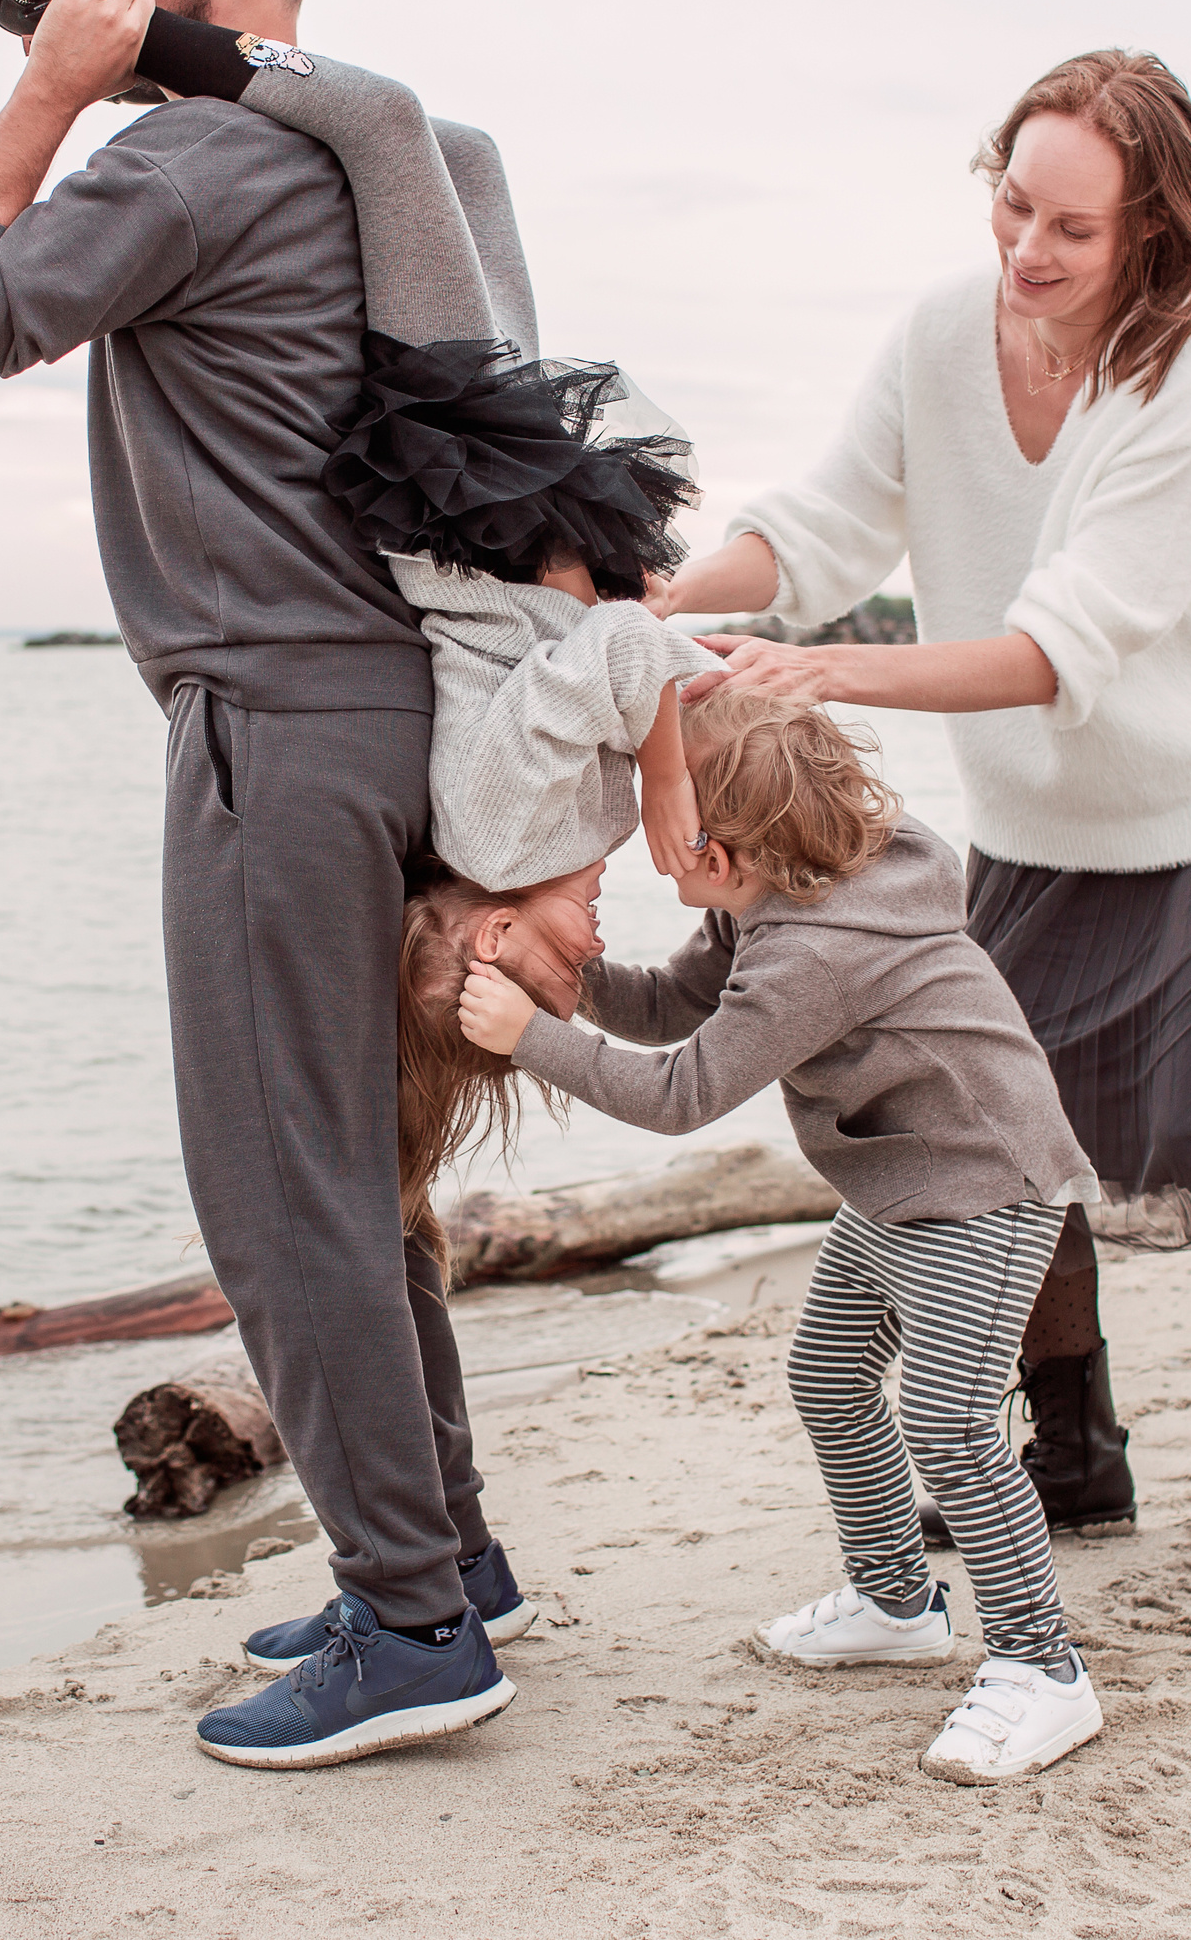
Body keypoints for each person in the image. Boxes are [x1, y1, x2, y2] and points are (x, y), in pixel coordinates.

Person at [657, 51, 1191, 1688]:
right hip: (1050, 821)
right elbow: (828, 524)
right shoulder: (937, 334)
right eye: (1011, 207)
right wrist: (671, 600)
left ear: (1150, 238)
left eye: (1071, 228)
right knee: (986, 1114)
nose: (1028, 254)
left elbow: (1062, 646)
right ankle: (1076, 1453)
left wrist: (810, 676)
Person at [0, 0, 542, 1771]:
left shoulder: (184, 157)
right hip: (391, 721)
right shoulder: (373, 158)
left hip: (272, 728)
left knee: (282, 1199)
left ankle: (416, 1623)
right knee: (363, 1171)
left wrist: (42, 83)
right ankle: (447, 1557)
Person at [459, 686, 1109, 1783]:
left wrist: (530, 1038)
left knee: (951, 1424)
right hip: (894, 1180)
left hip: (983, 1188)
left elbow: (683, 1089)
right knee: (828, 1373)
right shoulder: (787, 878)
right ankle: (900, 1600)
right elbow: (674, 1004)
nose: (644, 834)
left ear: (719, 848)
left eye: (663, 816)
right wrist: (557, 978)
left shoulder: (817, 950)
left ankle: (1045, 1669)